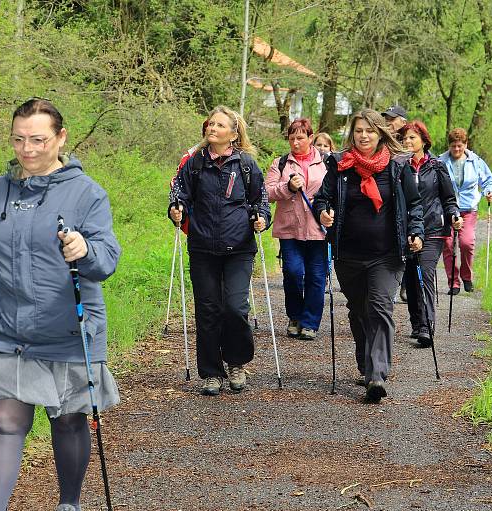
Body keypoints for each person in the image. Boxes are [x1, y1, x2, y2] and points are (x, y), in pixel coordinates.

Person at [0, 98, 122, 511]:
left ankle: (68, 509)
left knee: (67, 421)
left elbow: (106, 260)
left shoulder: (87, 193)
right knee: (4, 423)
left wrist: (85, 250)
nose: (27, 149)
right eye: (19, 139)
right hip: (6, 328)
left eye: (38, 140)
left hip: (67, 329)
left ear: (61, 138)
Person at [313, 109, 424, 403]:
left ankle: (377, 374)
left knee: (379, 307)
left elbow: (414, 206)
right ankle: (365, 362)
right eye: (359, 131)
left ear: (381, 134)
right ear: (353, 133)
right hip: (348, 253)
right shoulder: (339, 165)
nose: (364, 136)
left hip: (387, 254)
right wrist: (323, 213)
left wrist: (416, 233)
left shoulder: (398, 166)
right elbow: (322, 199)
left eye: (370, 131)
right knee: (359, 310)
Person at [168, 105, 270, 396]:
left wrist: (262, 217)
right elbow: (180, 195)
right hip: (202, 247)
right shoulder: (195, 163)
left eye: (220, 125)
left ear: (234, 133)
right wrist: (176, 209)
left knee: (235, 308)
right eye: (210, 124)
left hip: (239, 248)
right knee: (208, 310)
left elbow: (260, 201)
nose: (212, 128)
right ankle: (211, 373)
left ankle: (237, 362)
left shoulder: (247, 165)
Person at [265, 118, 328, 340]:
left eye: (300, 137)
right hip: (289, 227)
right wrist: (288, 187)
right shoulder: (280, 163)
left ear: (311, 138)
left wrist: (330, 214)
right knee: (292, 272)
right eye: (292, 138)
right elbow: (268, 193)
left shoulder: (326, 163)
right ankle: (295, 316)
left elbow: (334, 193)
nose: (295, 142)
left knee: (316, 276)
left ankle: (310, 323)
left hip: (318, 228)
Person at [399, 121, 461, 348]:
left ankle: (426, 326)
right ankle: (417, 321)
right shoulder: (398, 166)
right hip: (405, 230)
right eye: (404, 139)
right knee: (410, 278)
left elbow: (448, 198)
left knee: (424, 273)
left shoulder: (436, 166)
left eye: (412, 138)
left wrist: (454, 214)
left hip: (433, 228)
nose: (407, 142)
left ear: (424, 141)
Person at [438, 128, 492, 295]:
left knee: (466, 243)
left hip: (468, 208)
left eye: (460, 146)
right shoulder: (440, 161)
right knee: (448, 244)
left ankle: (466, 276)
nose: (456, 149)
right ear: (448, 146)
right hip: (447, 209)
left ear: (466, 144)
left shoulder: (475, 161)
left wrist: (489, 192)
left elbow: (489, 181)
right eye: (453, 146)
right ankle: (453, 282)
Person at [380, 105, 408, 302]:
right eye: (386, 118)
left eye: (392, 118)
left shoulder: (409, 141)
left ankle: (405, 283)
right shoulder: (380, 141)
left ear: (403, 122)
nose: (388, 122)